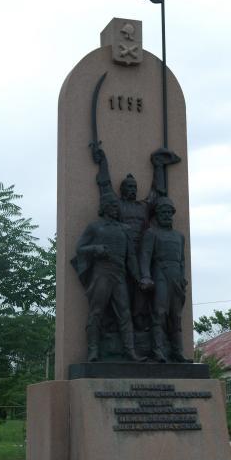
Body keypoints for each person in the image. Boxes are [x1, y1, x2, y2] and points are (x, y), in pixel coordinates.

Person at [91, 143, 180, 331]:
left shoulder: (144, 206)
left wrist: (158, 166)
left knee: (143, 289)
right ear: (122, 189)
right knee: (122, 291)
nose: (132, 189)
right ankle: (114, 325)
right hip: (121, 254)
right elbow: (105, 185)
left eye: (134, 187)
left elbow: (157, 193)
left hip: (142, 252)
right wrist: (103, 162)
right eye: (128, 187)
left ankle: (140, 321)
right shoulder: (116, 205)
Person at [71, 192, 146, 363]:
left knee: (125, 313)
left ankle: (130, 352)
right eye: (112, 206)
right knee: (96, 312)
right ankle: (93, 351)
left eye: (116, 207)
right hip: (102, 273)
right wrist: (95, 248)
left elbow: (131, 258)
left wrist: (138, 278)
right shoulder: (95, 227)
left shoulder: (124, 229)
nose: (115, 209)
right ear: (104, 208)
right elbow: (80, 249)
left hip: (119, 274)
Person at [139, 197, 189, 363]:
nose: (167, 215)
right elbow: (145, 256)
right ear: (157, 215)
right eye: (163, 212)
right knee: (159, 313)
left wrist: (182, 278)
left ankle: (177, 352)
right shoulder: (151, 233)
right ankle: (158, 350)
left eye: (169, 212)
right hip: (160, 274)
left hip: (176, 278)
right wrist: (146, 276)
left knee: (176, 316)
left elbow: (182, 261)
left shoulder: (179, 236)